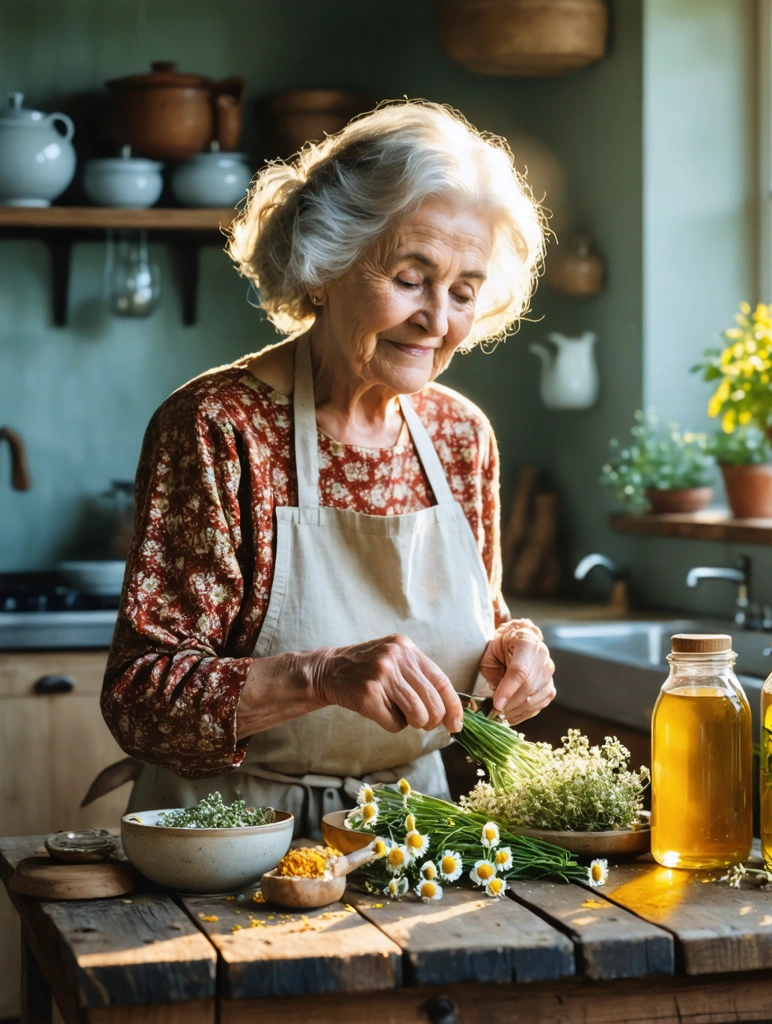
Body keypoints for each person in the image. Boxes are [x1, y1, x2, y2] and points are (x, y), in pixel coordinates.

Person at [98, 101, 556, 835]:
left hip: (411, 836)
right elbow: (141, 699)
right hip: (229, 833)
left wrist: (512, 650)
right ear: (324, 264)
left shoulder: (460, 435)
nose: (437, 319)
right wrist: (322, 677)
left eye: (464, 292)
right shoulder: (220, 427)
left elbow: (476, 626)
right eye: (411, 278)